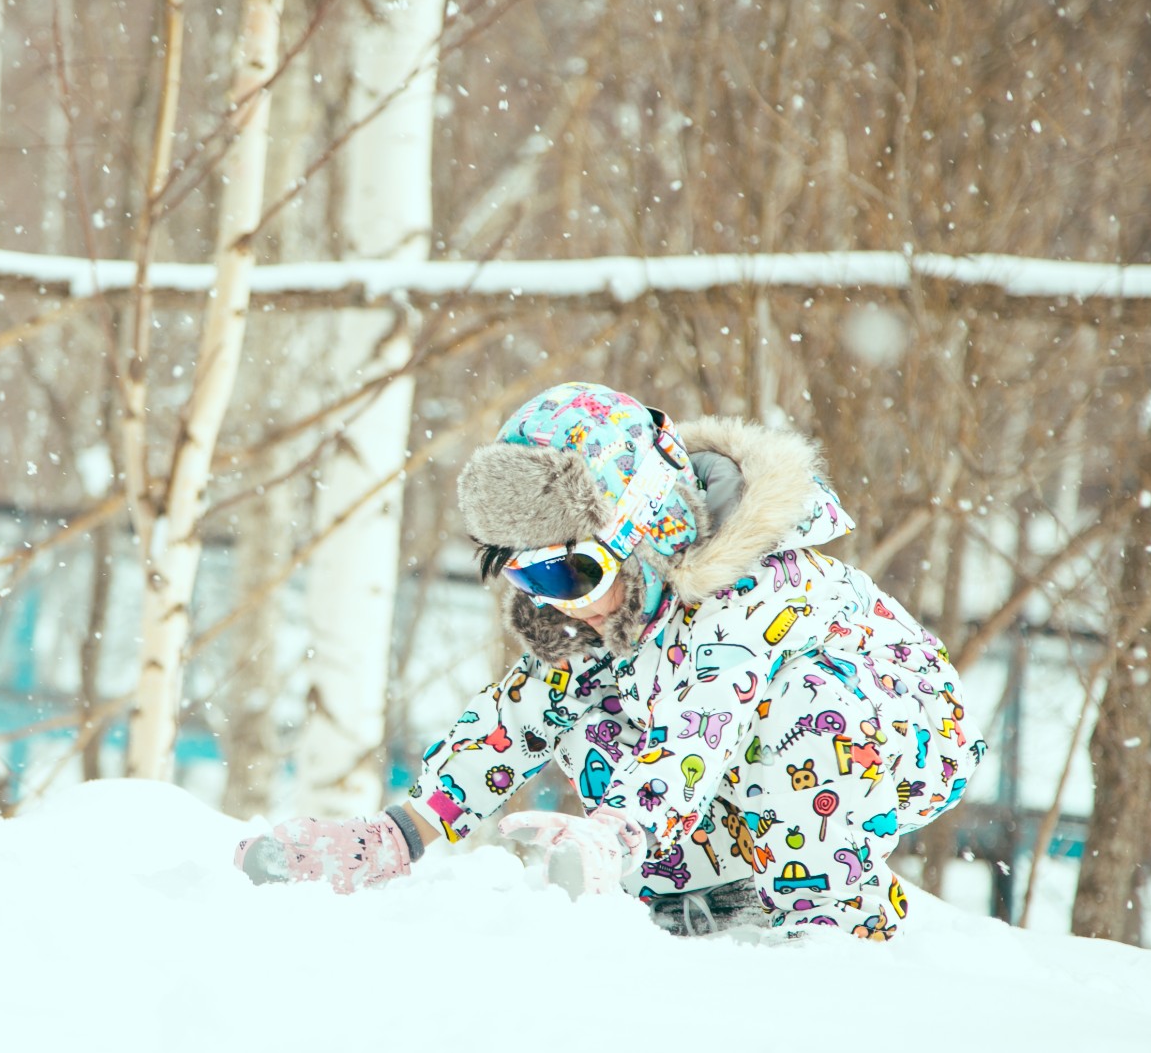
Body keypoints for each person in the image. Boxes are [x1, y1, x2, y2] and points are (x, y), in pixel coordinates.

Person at [235, 382, 983, 940]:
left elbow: (701, 726)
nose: (558, 602)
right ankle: (703, 897)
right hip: (728, 741)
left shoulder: (754, 590)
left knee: (800, 716)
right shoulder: (606, 611)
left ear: (647, 531)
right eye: (531, 579)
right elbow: (511, 722)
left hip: (889, 729)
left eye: (570, 574)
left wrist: (617, 832)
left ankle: (833, 917)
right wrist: (400, 834)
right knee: (584, 710)